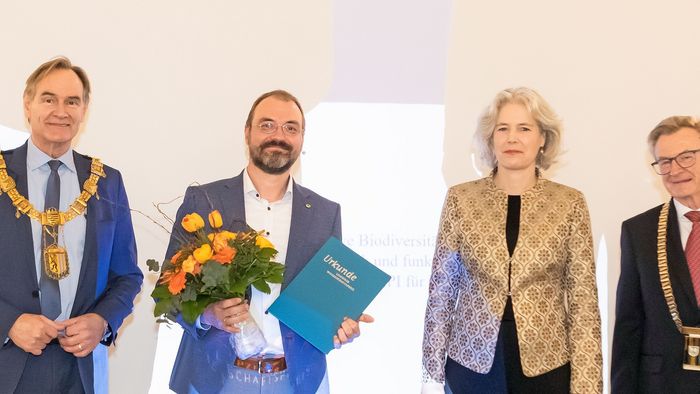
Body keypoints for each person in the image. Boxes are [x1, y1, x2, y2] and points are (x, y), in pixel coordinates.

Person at [164, 89, 373, 394]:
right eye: (267, 125)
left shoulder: (326, 213)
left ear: (302, 138)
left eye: (291, 128)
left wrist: (340, 327)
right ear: (247, 133)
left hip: (296, 381)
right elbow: (167, 292)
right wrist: (209, 315)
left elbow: (326, 304)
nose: (279, 136)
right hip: (214, 378)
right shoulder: (205, 201)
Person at [421, 87, 603, 393]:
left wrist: (587, 384)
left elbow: (583, 300)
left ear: (543, 138)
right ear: (490, 138)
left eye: (524, 128)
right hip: (471, 363)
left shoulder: (569, 203)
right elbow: (441, 291)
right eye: (502, 129)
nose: (512, 138)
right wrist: (431, 374)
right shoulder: (460, 199)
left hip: (547, 365)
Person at [0, 57, 143, 393]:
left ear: (84, 110)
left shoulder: (107, 182)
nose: (60, 111)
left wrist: (102, 321)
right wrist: (8, 323)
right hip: (6, 362)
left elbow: (127, 277)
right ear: (28, 104)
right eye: (48, 99)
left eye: (72, 101)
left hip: (80, 371)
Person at [612, 116, 700, 393]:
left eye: (686, 157)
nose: (675, 169)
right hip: (662, 384)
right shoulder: (639, 231)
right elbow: (628, 326)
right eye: (664, 161)